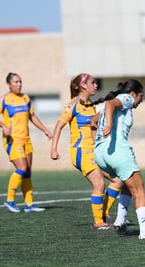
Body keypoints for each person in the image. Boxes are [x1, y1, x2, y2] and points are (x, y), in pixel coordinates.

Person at [91, 79, 145, 240]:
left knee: (126, 183)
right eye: (141, 96)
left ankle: (120, 220)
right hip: (117, 150)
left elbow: (93, 121)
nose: (141, 100)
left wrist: (98, 142)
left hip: (101, 153)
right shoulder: (127, 98)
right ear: (132, 94)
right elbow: (111, 104)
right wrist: (109, 125)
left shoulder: (104, 107)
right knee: (139, 191)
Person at [51, 73, 112, 230]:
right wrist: (54, 149)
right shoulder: (72, 106)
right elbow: (58, 126)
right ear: (83, 85)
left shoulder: (91, 105)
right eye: (93, 82)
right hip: (81, 151)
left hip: (94, 150)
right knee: (99, 183)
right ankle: (99, 222)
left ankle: (104, 212)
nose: (96, 85)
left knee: (117, 179)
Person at [0, 72, 52, 213]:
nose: (19, 84)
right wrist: (3, 126)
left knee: (28, 172)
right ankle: (9, 200)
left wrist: (45, 130)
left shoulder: (25, 98)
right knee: (22, 168)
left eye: (20, 81)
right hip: (13, 141)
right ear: (9, 84)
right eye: (16, 82)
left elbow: (32, 117)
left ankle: (29, 204)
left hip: (26, 140)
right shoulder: (4, 99)